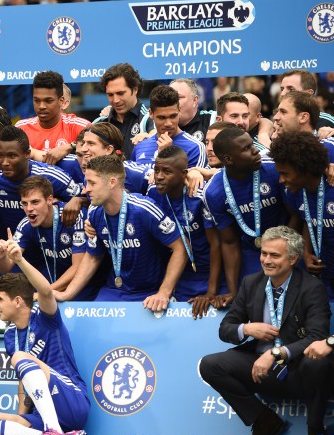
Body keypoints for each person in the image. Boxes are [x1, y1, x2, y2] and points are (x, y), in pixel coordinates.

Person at [199, 226, 331, 435]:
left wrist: (276, 353)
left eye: (275, 255)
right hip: (259, 368)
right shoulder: (251, 283)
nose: (266, 260)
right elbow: (226, 329)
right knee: (210, 365)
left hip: (296, 369)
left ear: (293, 259)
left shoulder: (312, 288)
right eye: (264, 253)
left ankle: (315, 434)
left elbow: (317, 337)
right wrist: (247, 329)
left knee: (318, 362)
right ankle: (264, 421)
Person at [0, 235, 88, 435]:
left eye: (0, 299)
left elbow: (46, 291)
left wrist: (19, 260)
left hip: (70, 399)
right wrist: (20, 418)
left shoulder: (45, 319)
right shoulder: (10, 336)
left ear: (18, 301)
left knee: (20, 357)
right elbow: (23, 381)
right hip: (42, 415)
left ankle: (54, 430)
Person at [60, 156, 187, 311]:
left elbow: (181, 247)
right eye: (87, 182)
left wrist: (164, 292)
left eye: (92, 183)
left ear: (112, 182)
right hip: (114, 291)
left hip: (149, 292)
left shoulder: (143, 209)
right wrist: (67, 294)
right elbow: (93, 257)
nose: (86, 189)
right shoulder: (94, 213)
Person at [0, 126, 82, 295]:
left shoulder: (51, 176)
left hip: (57, 252)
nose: (5, 162)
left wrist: (78, 199)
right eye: (0, 155)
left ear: (27, 154)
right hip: (18, 248)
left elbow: (92, 196)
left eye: (12, 156)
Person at [202, 127, 288, 301]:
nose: (255, 150)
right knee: (250, 297)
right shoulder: (214, 192)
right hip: (251, 249)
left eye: (252, 144)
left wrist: (285, 248)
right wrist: (234, 292)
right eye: (246, 148)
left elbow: (294, 213)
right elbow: (229, 241)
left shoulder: (273, 168)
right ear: (228, 159)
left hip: (287, 241)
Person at [146, 146, 224, 316]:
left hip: (208, 272)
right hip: (178, 275)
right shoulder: (152, 193)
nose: (159, 177)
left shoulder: (198, 197)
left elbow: (216, 245)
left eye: (166, 171)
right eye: (156, 170)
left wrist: (211, 292)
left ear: (184, 174)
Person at [0, 176, 89, 298]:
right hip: (54, 284)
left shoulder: (73, 216)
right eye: (24, 203)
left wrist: (44, 293)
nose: (29, 209)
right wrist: (1, 257)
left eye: (35, 202)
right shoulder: (26, 225)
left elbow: (78, 266)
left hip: (84, 285)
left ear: (49, 200)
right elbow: (5, 267)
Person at [270, 131, 334, 297]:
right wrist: (305, 252)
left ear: (305, 170)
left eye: (285, 174)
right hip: (323, 277)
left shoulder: (331, 186)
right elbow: (308, 219)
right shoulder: (292, 192)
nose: (281, 180)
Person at [16, 71, 89, 163]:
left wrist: (71, 147)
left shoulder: (80, 126)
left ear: (61, 101)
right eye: (37, 100)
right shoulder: (21, 128)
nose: (41, 106)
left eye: (48, 101)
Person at [131, 85, 207, 168]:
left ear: (179, 111)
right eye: (162, 118)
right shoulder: (140, 145)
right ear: (151, 114)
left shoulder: (195, 148)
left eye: (173, 116)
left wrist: (167, 155)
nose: (168, 123)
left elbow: (191, 180)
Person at [93, 63, 151, 158]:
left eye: (120, 93)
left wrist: (150, 137)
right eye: (110, 95)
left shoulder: (148, 118)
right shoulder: (99, 123)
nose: (115, 100)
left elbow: (156, 135)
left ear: (135, 89)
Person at [169, 78, 215, 143]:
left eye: (179, 97)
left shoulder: (212, 120)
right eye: (169, 98)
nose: (172, 102)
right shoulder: (157, 123)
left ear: (194, 100)